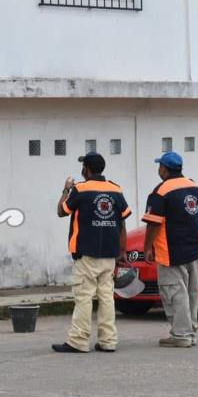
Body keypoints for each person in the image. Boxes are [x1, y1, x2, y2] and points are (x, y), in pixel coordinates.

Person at [53, 152, 131, 354]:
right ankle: (108, 341)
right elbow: (122, 222)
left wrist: (66, 189)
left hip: (87, 253)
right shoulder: (116, 189)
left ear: (86, 169)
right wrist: (122, 250)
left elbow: (61, 211)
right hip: (110, 253)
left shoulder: (80, 189)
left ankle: (78, 341)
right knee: (107, 297)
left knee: (84, 296)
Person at [142, 151, 198, 348]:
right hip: (195, 248)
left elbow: (153, 224)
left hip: (171, 250)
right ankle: (190, 331)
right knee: (191, 292)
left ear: (165, 168)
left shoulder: (161, 191)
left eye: (159, 166)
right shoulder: (194, 187)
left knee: (174, 292)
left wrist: (147, 248)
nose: (158, 169)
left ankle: (181, 335)